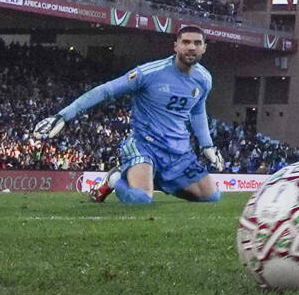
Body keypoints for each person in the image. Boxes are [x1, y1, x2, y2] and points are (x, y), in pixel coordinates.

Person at [34, 25, 223, 204]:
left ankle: (154, 179)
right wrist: (63, 116)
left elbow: (197, 111)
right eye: (186, 42)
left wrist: (207, 145)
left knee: (211, 197)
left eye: (197, 43)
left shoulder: (204, 79)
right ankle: (115, 180)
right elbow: (106, 90)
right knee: (141, 199)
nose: (191, 47)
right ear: (175, 46)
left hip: (178, 151)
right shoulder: (149, 73)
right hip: (144, 144)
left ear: (204, 48)